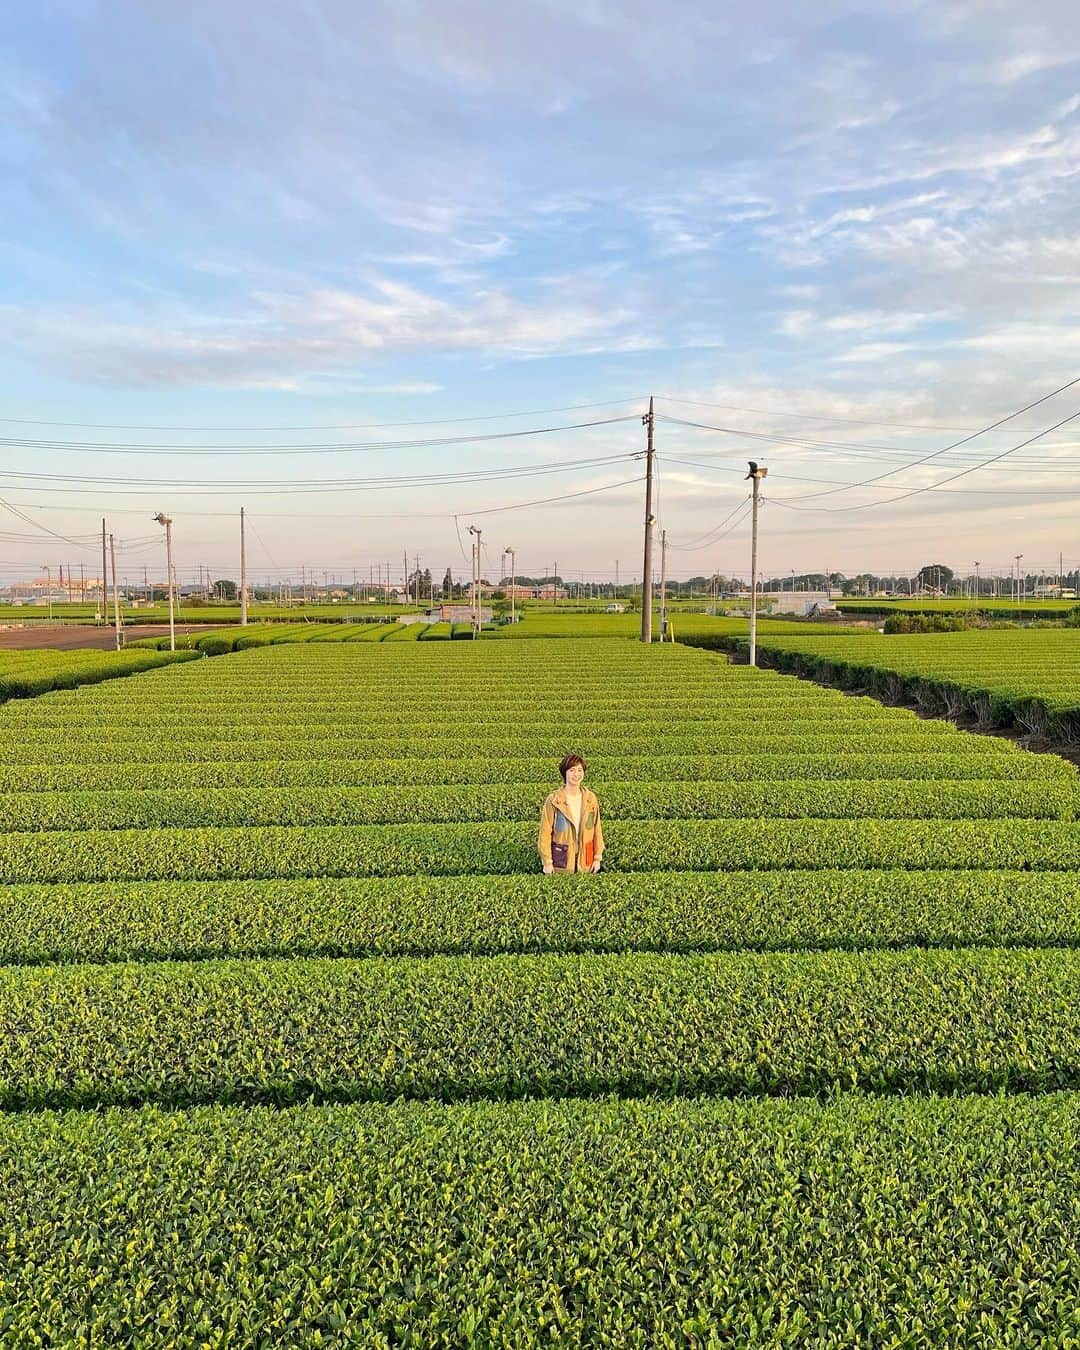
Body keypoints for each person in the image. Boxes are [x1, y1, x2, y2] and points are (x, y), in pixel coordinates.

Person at [538, 753, 604, 874]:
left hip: (586, 860)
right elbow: (545, 832)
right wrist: (547, 862)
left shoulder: (590, 798)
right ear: (565, 773)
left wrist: (597, 858)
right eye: (572, 770)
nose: (576, 774)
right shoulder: (554, 800)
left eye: (580, 770)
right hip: (561, 859)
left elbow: (596, 829)